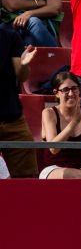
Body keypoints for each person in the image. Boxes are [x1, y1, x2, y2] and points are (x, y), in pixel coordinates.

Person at [39, 71, 81, 179]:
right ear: (56, 93)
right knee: (78, 176)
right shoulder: (49, 113)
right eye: (65, 90)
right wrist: (74, 123)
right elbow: (53, 149)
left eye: (74, 88)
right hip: (54, 168)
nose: (71, 93)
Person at [0, 21, 38, 177]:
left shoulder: (10, 36)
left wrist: (24, 64)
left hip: (12, 120)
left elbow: (21, 75)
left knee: (27, 179)